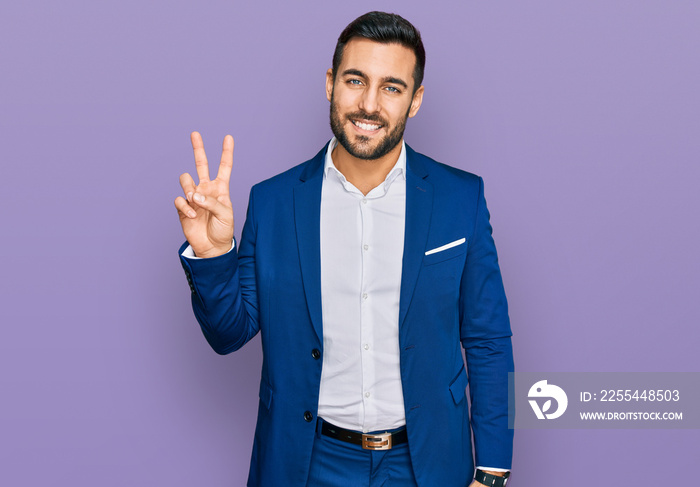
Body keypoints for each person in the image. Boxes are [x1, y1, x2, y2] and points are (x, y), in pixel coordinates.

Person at [175, 11, 513, 487]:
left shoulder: (461, 199)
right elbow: (228, 334)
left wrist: (493, 470)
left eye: (392, 88)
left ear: (415, 101)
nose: (369, 104)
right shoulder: (273, 203)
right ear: (331, 83)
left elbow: (488, 338)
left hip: (426, 463)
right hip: (307, 462)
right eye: (356, 80)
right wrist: (214, 255)